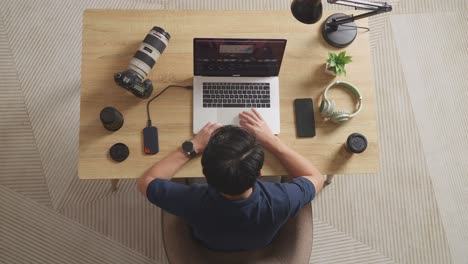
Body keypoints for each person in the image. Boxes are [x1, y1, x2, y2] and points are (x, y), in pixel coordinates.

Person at [138, 109, 324, 251]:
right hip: (261, 242)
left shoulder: (190, 201)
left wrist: (191, 146)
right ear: (259, 173)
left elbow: (146, 181)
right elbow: (315, 177)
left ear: (205, 175)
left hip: (210, 244)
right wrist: (271, 141)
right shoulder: (282, 199)